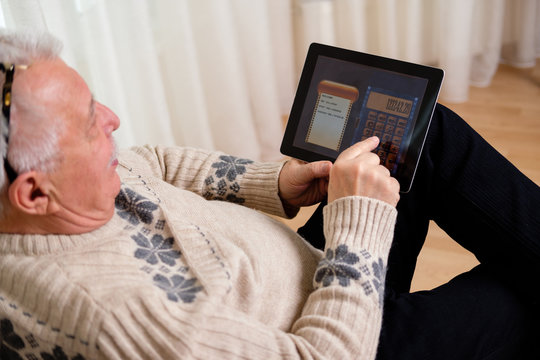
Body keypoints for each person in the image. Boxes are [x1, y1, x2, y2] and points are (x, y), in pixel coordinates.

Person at [0, 29, 537, 360]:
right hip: (347, 338)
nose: (114, 120)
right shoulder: (115, 322)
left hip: (318, 273)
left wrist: (275, 183)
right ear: (33, 192)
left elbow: (153, 162)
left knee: (422, 134)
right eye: (92, 123)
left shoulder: (57, 200)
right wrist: (358, 221)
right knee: (521, 298)